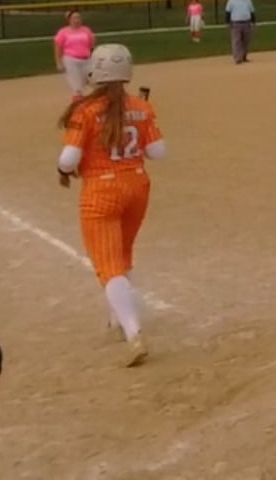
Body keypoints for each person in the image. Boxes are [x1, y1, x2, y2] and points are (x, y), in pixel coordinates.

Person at [57, 45, 166, 368]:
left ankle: (134, 332)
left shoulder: (85, 110)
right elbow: (158, 152)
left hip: (101, 190)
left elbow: (68, 160)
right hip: (137, 186)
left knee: (109, 265)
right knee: (122, 254)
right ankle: (117, 319)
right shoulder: (141, 106)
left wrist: (62, 170)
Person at [53, 11, 95, 100]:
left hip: (86, 59)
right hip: (71, 60)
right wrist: (59, 62)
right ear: (69, 20)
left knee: (92, 79)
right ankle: (78, 99)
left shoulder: (86, 30)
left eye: (79, 18)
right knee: (76, 84)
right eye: (74, 18)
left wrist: (92, 56)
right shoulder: (63, 32)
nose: (77, 20)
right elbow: (58, 47)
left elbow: (91, 45)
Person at [225, 0, 256, 64]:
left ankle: (243, 56)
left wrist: (253, 22)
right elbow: (228, 12)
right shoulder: (232, 0)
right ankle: (237, 58)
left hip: (246, 22)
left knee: (246, 41)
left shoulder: (248, 0)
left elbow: (252, 12)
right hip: (236, 23)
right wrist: (228, 22)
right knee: (236, 41)